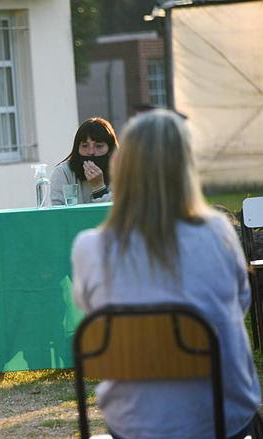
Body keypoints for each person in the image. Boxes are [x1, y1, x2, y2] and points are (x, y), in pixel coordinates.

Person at [71, 110, 260, 438]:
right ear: (187, 168)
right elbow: (238, 305)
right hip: (222, 417)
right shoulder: (217, 233)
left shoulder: (90, 248)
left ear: (121, 165)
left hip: (134, 423)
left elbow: (97, 315)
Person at [50, 117, 118, 205]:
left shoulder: (122, 173)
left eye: (99, 146)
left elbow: (121, 213)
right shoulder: (63, 173)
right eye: (85, 146)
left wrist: (99, 187)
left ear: (110, 149)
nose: (91, 152)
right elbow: (56, 213)